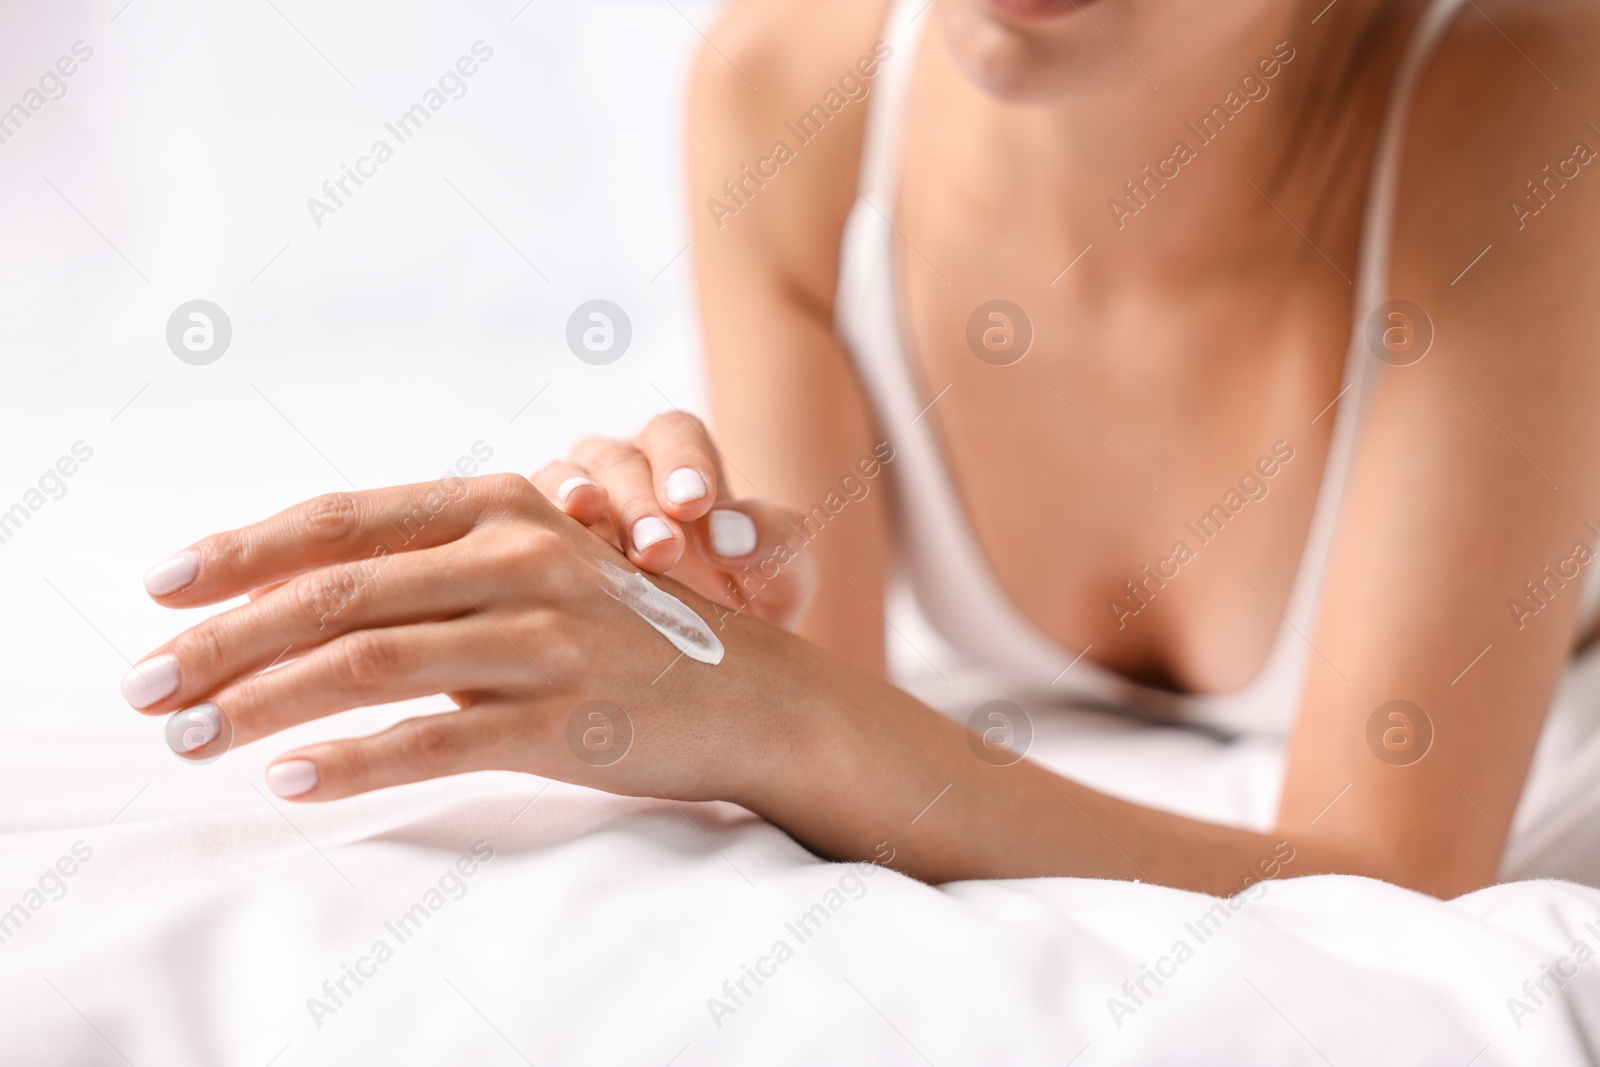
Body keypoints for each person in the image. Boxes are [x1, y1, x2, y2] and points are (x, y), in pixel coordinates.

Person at [121, 0, 1600, 898]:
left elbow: (1398, 882)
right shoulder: (791, 91)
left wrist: (798, 723)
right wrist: (686, 611)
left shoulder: (1527, 97)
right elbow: (806, 694)